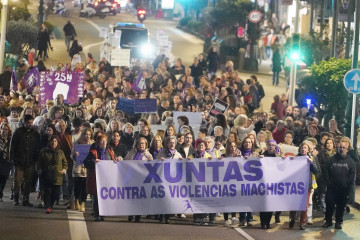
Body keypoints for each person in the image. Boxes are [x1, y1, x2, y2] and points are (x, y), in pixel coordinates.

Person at [322, 138, 356, 229]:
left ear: (347, 149)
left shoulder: (351, 162)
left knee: (341, 207)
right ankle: (328, 221)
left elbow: (352, 175)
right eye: (340, 147)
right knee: (329, 205)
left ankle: (338, 222)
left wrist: (346, 183)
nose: (341, 149)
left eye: (344, 147)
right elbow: (325, 170)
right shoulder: (331, 160)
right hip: (331, 188)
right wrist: (328, 181)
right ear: (337, 148)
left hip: (343, 189)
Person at [84, 135, 118, 222]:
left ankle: (102, 214)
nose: (104, 143)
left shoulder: (109, 151)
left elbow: (113, 160)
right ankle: (96, 214)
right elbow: (86, 163)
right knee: (96, 197)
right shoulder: (93, 152)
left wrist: (116, 160)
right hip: (95, 178)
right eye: (102, 141)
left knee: (104, 197)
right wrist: (94, 162)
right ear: (98, 143)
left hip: (106, 178)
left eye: (105, 141)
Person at [10, 115, 41, 207]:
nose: (30, 124)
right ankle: (16, 198)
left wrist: (35, 159)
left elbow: (37, 148)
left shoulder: (35, 134)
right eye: (28, 123)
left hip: (30, 161)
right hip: (19, 161)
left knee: (28, 181)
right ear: (24, 122)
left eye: (31, 123)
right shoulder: (18, 132)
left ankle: (25, 199)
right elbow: (13, 146)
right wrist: (12, 158)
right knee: (17, 181)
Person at [289, 140, 318, 230]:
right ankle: (292, 218)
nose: (303, 149)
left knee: (304, 205)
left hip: (307, 185)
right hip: (296, 184)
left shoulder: (311, 158)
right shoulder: (296, 158)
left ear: (308, 149)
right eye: (302, 148)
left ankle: (302, 222)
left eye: (305, 148)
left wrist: (311, 163)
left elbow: (316, 171)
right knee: (294, 204)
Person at [124, 137, 153, 222]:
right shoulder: (131, 153)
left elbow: (152, 165)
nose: (141, 145)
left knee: (139, 198)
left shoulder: (148, 155)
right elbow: (124, 161)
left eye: (143, 143)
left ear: (146, 145)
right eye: (140, 143)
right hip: (132, 178)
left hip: (142, 180)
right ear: (136, 145)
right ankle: (130, 214)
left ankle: (138, 216)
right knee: (131, 197)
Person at [37, 136, 67, 214]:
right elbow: (39, 163)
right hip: (47, 175)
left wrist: (64, 169)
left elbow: (65, 163)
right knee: (48, 191)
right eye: (52, 141)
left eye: (55, 141)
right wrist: (40, 171)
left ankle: (51, 205)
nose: (53, 143)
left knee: (55, 192)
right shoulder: (43, 151)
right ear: (49, 142)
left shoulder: (60, 152)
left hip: (57, 175)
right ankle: (48, 206)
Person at [71, 128, 94, 212]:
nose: (87, 136)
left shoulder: (92, 144)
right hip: (78, 168)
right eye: (85, 134)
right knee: (77, 186)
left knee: (85, 187)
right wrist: (75, 155)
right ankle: (76, 200)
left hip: (87, 169)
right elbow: (71, 155)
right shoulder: (77, 143)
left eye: (89, 134)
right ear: (82, 135)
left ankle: (83, 203)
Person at [0, 123, 12, 202]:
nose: (4, 131)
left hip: (6, 162)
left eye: (6, 129)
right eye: (3, 129)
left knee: (4, 178)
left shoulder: (10, 140)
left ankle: (0, 192)